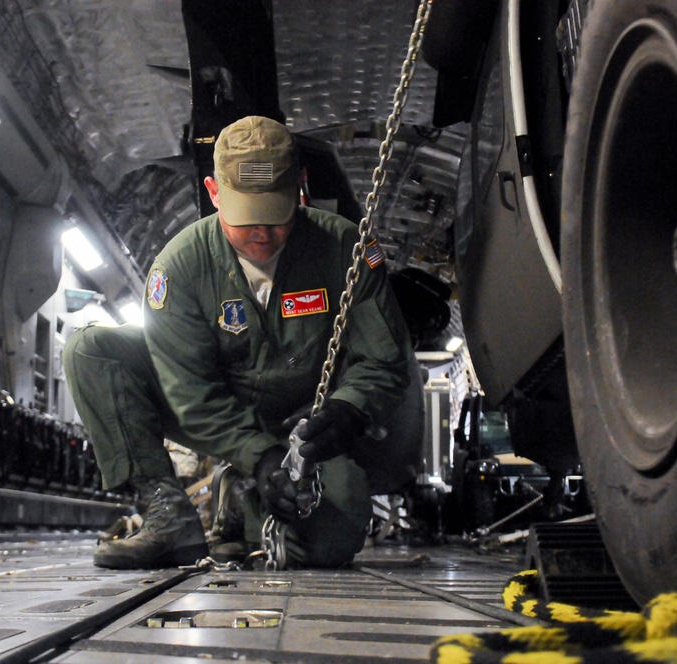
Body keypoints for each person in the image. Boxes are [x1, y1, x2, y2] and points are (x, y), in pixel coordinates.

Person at [63, 115, 423, 569]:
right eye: (245, 219)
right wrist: (261, 456)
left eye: (275, 216)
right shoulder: (181, 267)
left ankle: (237, 502)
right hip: (217, 410)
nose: (261, 234)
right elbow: (190, 393)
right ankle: (168, 515)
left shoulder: (347, 251)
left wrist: (348, 408)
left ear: (300, 187)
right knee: (91, 350)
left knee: (328, 544)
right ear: (214, 193)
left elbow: (384, 362)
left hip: (303, 426)